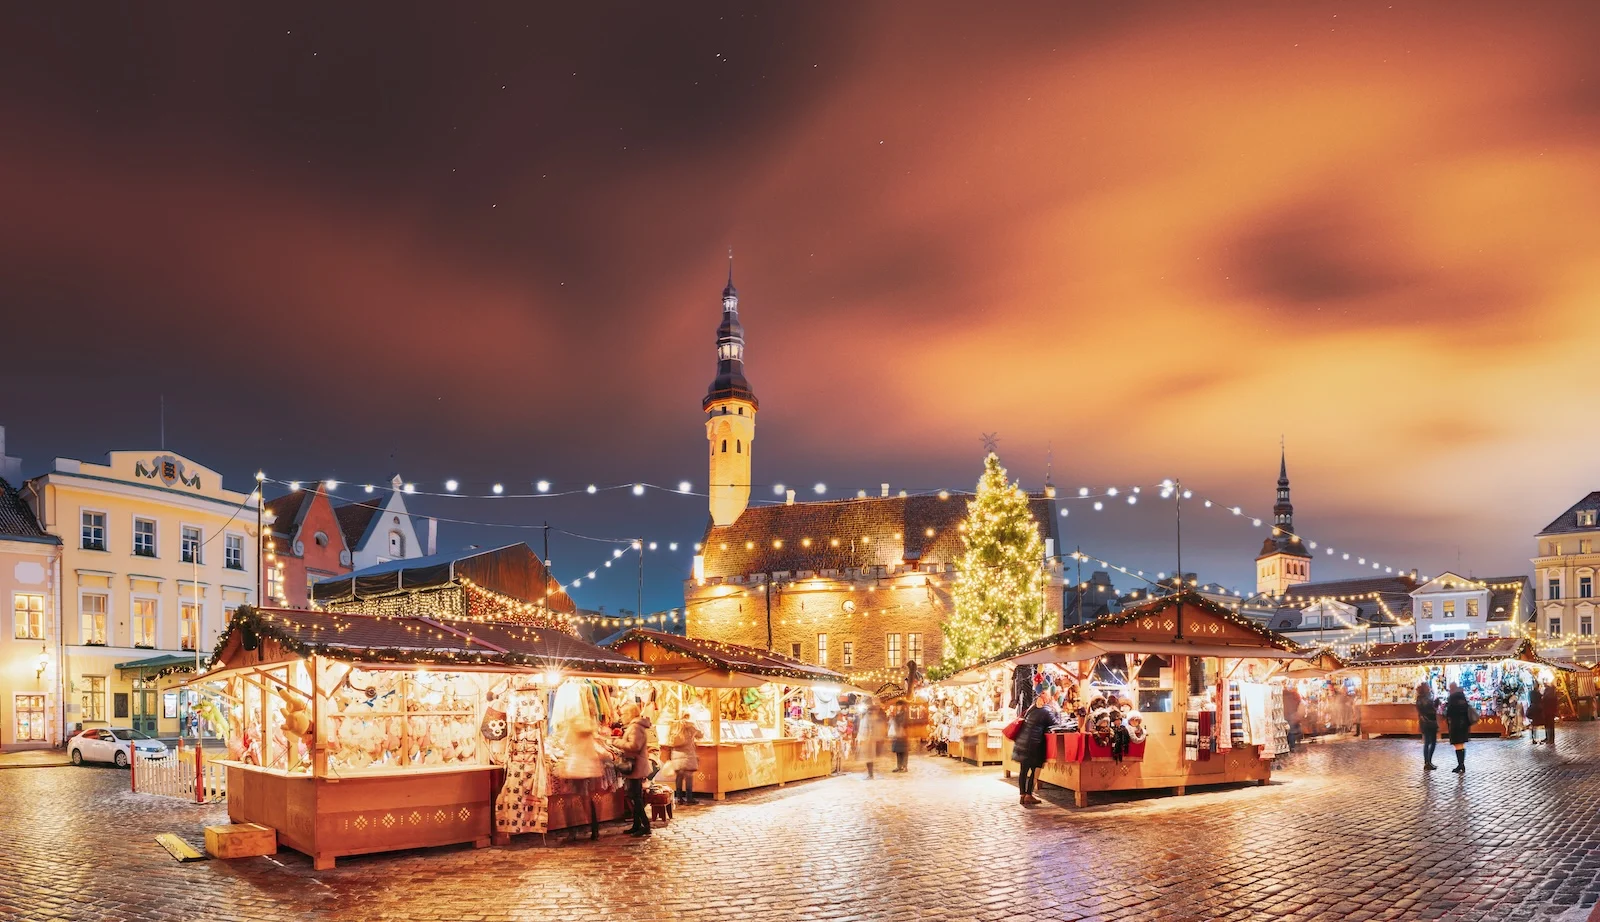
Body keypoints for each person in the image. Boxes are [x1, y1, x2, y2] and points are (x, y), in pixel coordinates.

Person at [558, 716, 607, 841]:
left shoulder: (573, 732)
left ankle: (572, 831)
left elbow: (568, 749)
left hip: (576, 768)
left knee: (570, 800)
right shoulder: (589, 733)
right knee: (588, 800)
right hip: (589, 769)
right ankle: (594, 830)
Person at [1013, 691, 1057, 806]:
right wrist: (1055, 710)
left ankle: (1022, 795)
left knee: (1023, 770)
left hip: (1022, 742)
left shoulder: (1031, 708)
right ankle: (1029, 795)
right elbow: (1055, 723)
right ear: (1045, 699)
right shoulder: (1046, 711)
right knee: (1034, 770)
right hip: (1034, 744)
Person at [618, 702, 654, 837]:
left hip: (636, 766)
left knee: (636, 797)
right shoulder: (636, 726)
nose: (621, 717)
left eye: (623, 714)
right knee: (635, 796)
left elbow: (634, 746)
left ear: (630, 714)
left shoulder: (635, 727)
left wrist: (617, 742)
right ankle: (637, 824)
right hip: (636, 765)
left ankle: (645, 825)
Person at [668, 712, 704, 805]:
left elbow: (669, 740)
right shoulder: (691, 726)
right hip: (687, 756)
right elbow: (700, 735)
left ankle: (679, 798)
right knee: (688, 777)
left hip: (676, 756)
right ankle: (689, 798)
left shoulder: (674, 726)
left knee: (679, 778)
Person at [1444, 682, 1472, 774]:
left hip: (1456, 724)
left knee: (1458, 745)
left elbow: (1449, 712)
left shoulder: (1452, 698)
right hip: (1464, 724)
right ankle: (1461, 764)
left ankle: (1460, 765)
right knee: (1461, 744)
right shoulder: (1462, 697)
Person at [1414, 682, 1439, 770]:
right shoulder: (1429, 697)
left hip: (1423, 722)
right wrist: (1436, 703)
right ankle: (1429, 762)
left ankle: (1427, 762)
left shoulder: (1419, 698)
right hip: (1430, 722)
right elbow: (1432, 710)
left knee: (1426, 742)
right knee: (1432, 742)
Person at [859, 702, 887, 778]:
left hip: (870, 742)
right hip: (871, 741)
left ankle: (871, 774)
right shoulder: (872, 718)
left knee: (870, 758)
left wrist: (865, 738)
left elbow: (867, 729)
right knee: (870, 758)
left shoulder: (869, 718)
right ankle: (871, 774)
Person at [888, 702, 909, 773]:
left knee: (903, 751)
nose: (898, 707)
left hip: (903, 734)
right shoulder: (897, 713)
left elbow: (904, 723)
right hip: (897, 734)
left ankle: (904, 767)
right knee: (898, 751)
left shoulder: (905, 713)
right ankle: (899, 766)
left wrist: (900, 727)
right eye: (897, 705)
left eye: (899, 705)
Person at [1541, 679, 1560, 745]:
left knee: (1549, 725)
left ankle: (1549, 738)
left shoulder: (1549, 693)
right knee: (1550, 725)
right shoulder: (1552, 693)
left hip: (1548, 711)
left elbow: (1545, 701)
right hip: (1550, 711)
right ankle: (1549, 738)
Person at [1527, 680, 1544, 745]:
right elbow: (1540, 700)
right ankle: (1537, 739)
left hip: (1532, 709)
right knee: (1537, 724)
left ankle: (1534, 738)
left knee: (1533, 724)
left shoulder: (1530, 693)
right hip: (1537, 710)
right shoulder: (1537, 693)